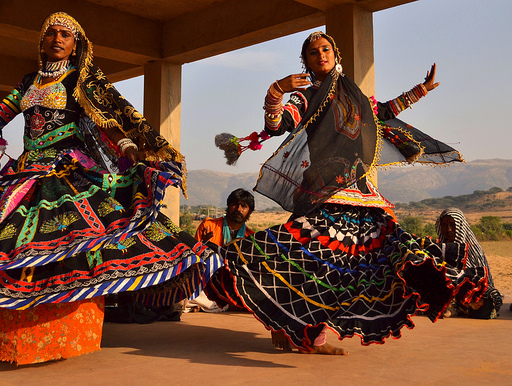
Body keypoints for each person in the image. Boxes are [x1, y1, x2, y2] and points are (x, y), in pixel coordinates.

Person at [0, 12, 221, 365]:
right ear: (42, 42)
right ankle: (9, 325)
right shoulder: (28, 82)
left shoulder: (79, 81)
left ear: (76, 45)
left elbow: (106, 120)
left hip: (66, 172)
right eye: (51, 33)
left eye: (65, 35)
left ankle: (57, 329)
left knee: (76, 238)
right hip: (24, 171)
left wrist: (128, 145)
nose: (57, 39)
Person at [211, 31, 489, 355]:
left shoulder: (356, 97)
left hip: (360, 194)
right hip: (322, 193)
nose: (321, 55)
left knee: (358, 265)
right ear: (307, 62)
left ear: (336, 53)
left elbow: (383, 111)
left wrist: (420, 91)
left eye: (326, 49)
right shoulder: (306, 96)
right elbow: (277, 124)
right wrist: (276, 91)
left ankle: (312, 338)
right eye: (313, 52)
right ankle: (285, 324)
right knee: (306, 263)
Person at [187, 188, 255, 312]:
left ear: (249, 212)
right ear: (228, 207)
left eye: (243, 206)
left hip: (234, 283)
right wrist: (203, 245)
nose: (238, 209)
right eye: (235, 204)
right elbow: (192, 258)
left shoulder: (251, 237)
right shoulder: (208, 226)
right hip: (208, 280)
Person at [436, 208, 503, 319]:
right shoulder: (441, 248)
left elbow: (482, 279)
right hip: (448, 292)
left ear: (461, 226)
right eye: (444, 225)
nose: (448, 229)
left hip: (470, 292)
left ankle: (455, 309)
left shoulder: (472, 248)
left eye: (452, 225)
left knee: (487, 301)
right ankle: (452, 308)